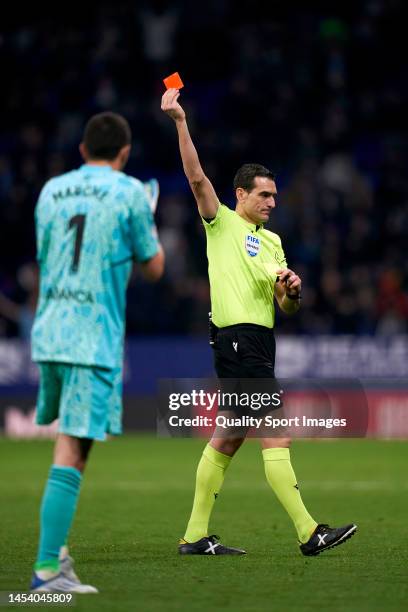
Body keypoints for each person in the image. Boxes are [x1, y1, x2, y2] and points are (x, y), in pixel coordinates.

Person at [161, 88, 357, 556]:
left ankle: (194, 536)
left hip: (258, 340)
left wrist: (292, 291)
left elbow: (285, 308)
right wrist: (180, 122)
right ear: (241, 194)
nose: (271, 202)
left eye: (274, 195)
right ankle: (309, 532)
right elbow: (195, 178)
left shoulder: (273, 243)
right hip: (236, 341)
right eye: (264, 195)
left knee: (228, 437)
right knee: (276, 431)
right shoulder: (221, 223)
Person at [30, 112, 165, 592]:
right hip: (91, 337)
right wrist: (143, 218)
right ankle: (46, 572)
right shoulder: (130, 192)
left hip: (49, 330)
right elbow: (153, 267)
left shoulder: (50, 191)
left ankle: (57, 556)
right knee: (73, 448)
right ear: (124, 153)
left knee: (68, 442)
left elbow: (49, 255)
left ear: (83, 150)